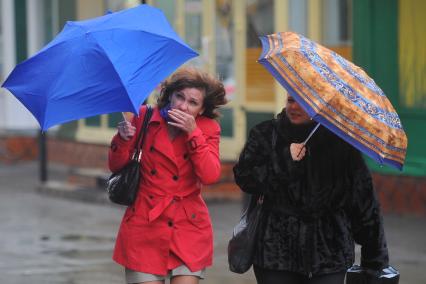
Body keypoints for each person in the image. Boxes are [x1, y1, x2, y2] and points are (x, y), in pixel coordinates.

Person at [233, 95, 389, 284]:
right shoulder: (265, 134)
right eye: (291, 100)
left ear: (320, 106)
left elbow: (364, 204)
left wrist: (373, 261)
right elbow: (245, 178)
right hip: (276, 254)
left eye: (303, 102)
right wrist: (284, 160)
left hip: (329, 254)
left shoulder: (342, 144)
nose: (294, 107)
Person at [108, 67, 227, 284]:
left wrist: (193, 134)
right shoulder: (143, 117)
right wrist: (123, 139)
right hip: (145, 223)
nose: (183, 105)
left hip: (188, 226)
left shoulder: (208, 128)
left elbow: (210, 175)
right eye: (179, 97)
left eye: (192, 102)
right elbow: (116, 166)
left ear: (201, 109)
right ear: (169, 95)